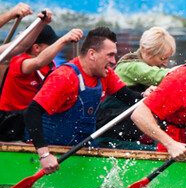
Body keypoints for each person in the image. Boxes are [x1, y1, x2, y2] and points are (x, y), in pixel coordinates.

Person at [23, 27, 145, 175]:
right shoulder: (64, 77)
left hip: (83, 148)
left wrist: (146, 95)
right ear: (92, 54)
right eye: (110, 55)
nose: (114, 61)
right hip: (53, 153)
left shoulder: (106, 74)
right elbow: (32, 112)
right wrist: (44, 155)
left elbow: (129, 97)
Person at [0, 12, 82, 140]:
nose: (57, 49)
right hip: (11, 121)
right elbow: (37, 62)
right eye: (52, 45)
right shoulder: (19, 62)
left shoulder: (50, 64)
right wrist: (63, 40)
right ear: (36, 48)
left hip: (32, 117)